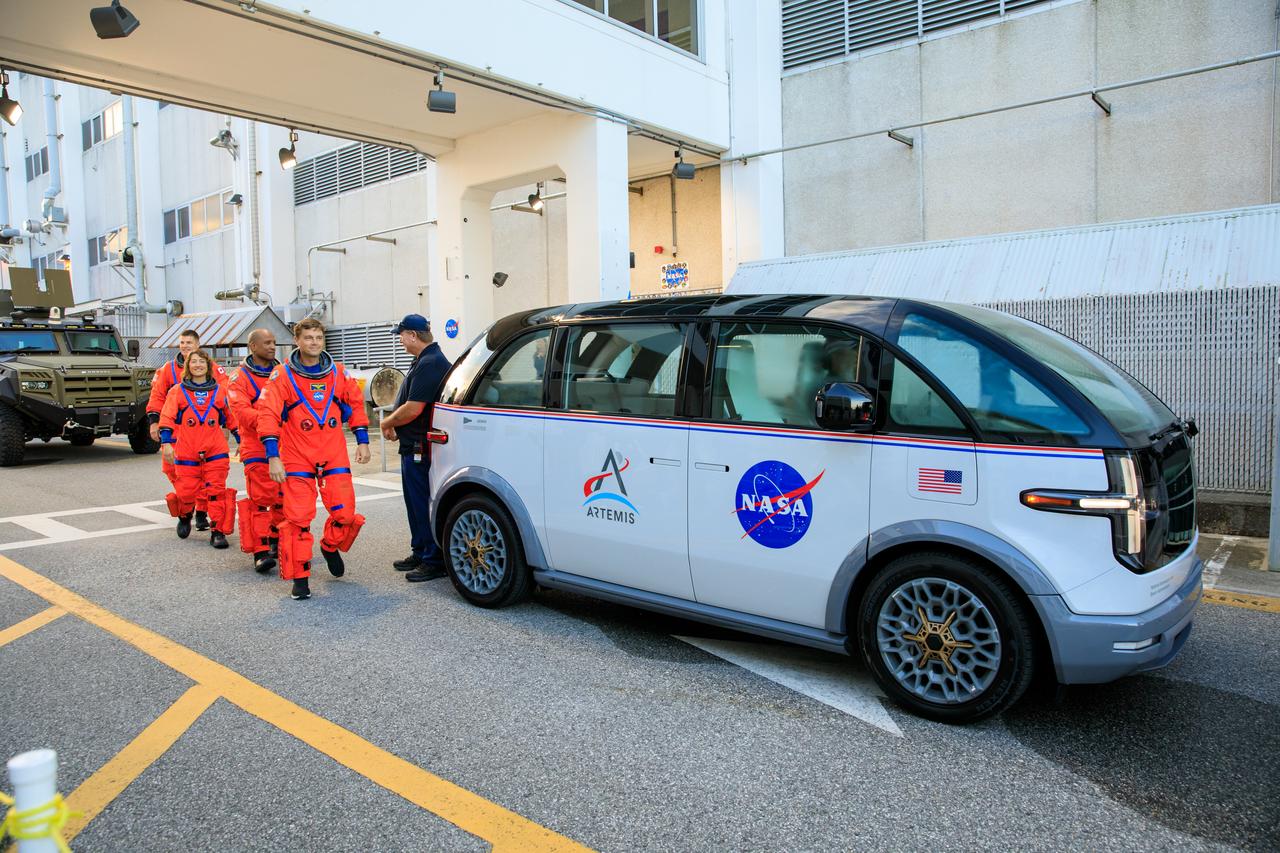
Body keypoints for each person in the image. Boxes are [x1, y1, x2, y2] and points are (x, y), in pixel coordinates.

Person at [258, 318, 371, 601]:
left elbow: (356, 404)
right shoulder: (282, 376)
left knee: (345, 515)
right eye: (308, 338)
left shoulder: (338, 373)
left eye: (319, 337)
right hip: (297, 456)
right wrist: (273, 457)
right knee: (298, 519)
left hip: (333, 453)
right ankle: (300, 577)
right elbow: (268, 415)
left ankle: (330, 546)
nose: (314, 343)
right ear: (297, 340)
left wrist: (363, 441)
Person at [379, 314, 453, 583]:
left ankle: (434, 559)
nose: (399, 340)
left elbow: (413, 408)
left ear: (412, 335)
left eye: (400, 335)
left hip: (420, 446)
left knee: (421, 501)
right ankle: (421, 550)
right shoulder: (423, 361)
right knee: (413, 501)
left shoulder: (431, 363)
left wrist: (387, 422)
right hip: (413, 444)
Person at [147, 328, 228, 532]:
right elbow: (157, 396)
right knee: (174, 472)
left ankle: (201, 510)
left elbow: (225, 395)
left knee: (206, 473)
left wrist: (228, 425)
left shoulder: (211, 368)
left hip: (202, 432)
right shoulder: (167, 370)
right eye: (182, 343)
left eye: (189, 343)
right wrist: (155, 421)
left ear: (197, 345)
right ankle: (187, 506)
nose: (185, 346)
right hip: (174, 429)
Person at [158, 349, 237, 549]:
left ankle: (217, 531)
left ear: (208, 366)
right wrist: (166, 442)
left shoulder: (220, 391)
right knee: (185, 492)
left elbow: (231, 418)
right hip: (187, 449)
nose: (198, 365)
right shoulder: (177, 391)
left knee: (216, 491)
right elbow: (167, 417)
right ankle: (184, 516)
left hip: (215, 449)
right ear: (188, 366)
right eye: (194, 362)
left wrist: (241, 439)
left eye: (202, 361)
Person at [227, 328, 282, 574]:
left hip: (286, 447)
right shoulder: (239, 378)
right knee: (260, 501)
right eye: (267, 343)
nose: (272, 346)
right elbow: (241, 412)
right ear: (253, 347)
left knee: (283, 500)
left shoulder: (284, 373)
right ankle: (260, 552)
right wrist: (271, 421)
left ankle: (278, 541)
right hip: (256, 447)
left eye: (274, 342)